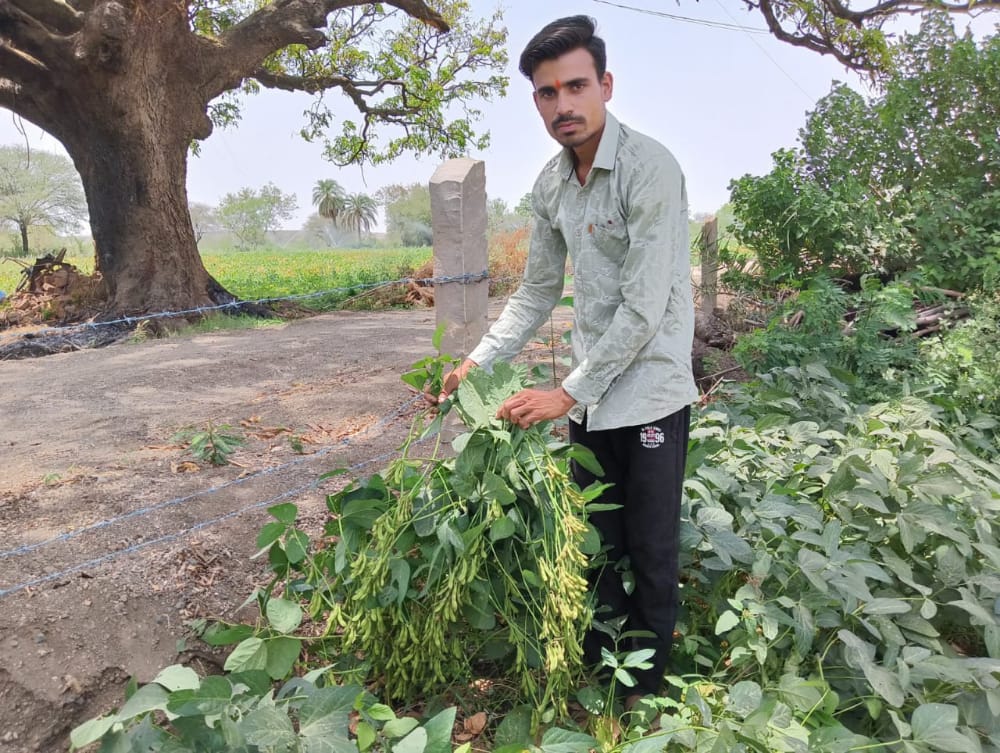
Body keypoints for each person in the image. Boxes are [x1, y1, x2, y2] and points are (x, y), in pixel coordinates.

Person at [438, 14, 697, 702]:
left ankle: (646, 691)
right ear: (536, 102)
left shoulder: (651, 171)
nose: (564, 105)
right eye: (548, 93)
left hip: (649, 395)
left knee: (650, 547)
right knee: (596, 543)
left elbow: (643, 311)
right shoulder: (551, 186)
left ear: (605, 85)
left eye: (576, 86)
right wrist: (478, 361)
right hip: (591, 397)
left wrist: (564, 394)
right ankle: (602, 667)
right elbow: (535, 294)